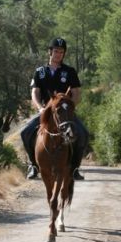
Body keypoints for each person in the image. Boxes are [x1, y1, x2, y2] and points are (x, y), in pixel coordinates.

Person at [20, 37, 89, 180]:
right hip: (45, 111)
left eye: (61, 52)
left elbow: (76, 93)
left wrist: (69, 108)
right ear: (50, 52)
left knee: (83, 134)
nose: (58, 54)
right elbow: (35, 92)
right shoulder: (39, 71)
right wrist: (40, 108)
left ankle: (75, 169)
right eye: (56, 51)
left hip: (65, 113)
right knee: (25, 132)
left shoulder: (70, 71)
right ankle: (33, 165)